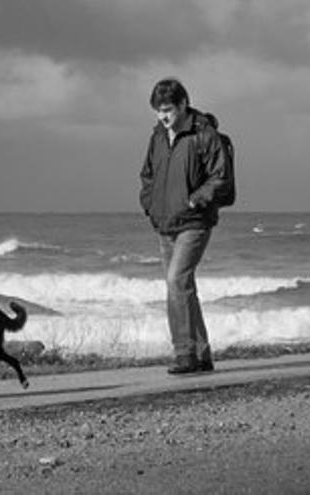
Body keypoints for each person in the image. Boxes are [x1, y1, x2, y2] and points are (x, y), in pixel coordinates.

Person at [139, 78, 233, 375]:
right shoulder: (157, 135)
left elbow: (221, 176)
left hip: (195, 221)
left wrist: (196, 200)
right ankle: (202, 355)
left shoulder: (204, 134)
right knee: (184, 285)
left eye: (167, 109)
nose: (162, 116)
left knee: (176, 281)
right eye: (157, 110)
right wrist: (150, 205)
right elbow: (148, 175)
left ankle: (184, 354)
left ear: (182, 105)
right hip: (165, 222)